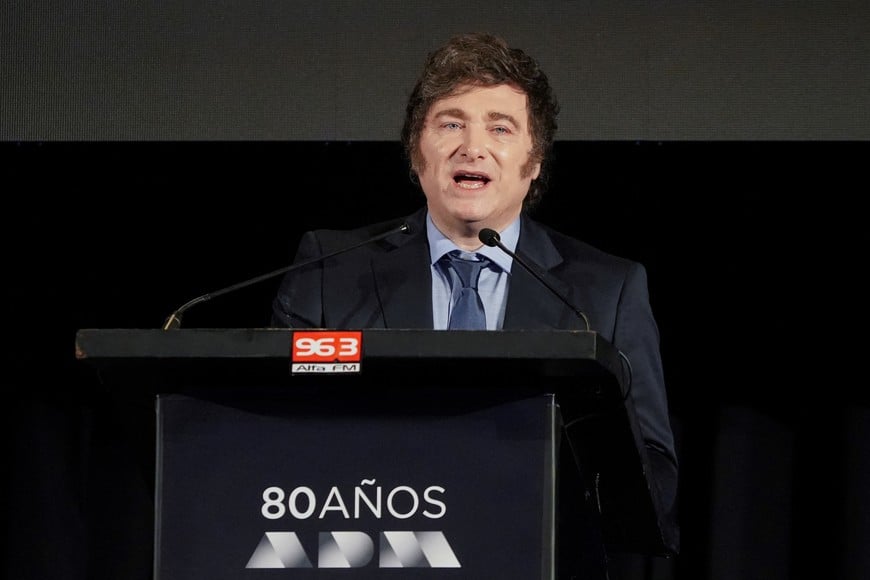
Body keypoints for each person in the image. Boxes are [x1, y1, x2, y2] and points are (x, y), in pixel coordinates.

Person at [271, 32, 678, 574]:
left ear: (534, 163)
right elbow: (278, 442)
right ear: (417, 151)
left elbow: (653, 474)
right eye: (451, 123)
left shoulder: (605, 291)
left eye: (500, 127)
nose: (473, 146)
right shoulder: (328, 271)